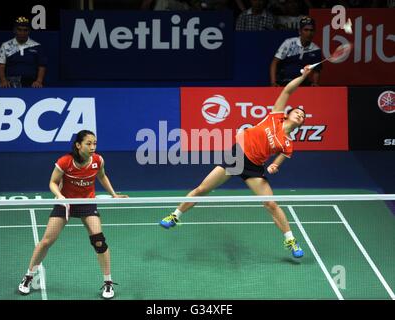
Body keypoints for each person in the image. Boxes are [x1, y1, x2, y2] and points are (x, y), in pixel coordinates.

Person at [160, 66, 314, 259]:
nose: (300, 115)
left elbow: (281, 158)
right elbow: (287, 91)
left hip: (254, 168)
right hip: (237, 156)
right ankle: (175, 216)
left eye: (303, 116)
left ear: (302, 123)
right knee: (202, 189)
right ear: (288, 113)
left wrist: (275, 165)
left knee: (271, 204)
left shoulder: (288, 143)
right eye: (297, 112)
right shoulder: (275, 116)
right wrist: (303, 76)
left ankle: (291, 240)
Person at [18, 130, 128, 299]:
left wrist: (114, 195)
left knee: (99, 241)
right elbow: (53, 182)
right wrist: (60, 196)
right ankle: (28, 276)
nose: (93, 147)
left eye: (95, 143)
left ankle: (108, 282)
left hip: (87, 203)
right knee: (47, 241)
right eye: (88, 143)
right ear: (78, 145)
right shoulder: (65, 161)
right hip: (65, 203)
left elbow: (102, 176)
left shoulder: (98, 160)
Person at [0, 16, 47, 88]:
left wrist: (38, 81)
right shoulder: (6, 45)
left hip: (31, 83)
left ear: (29, 31)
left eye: (25, 30)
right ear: (14, 30)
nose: (22, 33)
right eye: (19, 30)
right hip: (10, 83)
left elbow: (41, 66)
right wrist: (3, 80)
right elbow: (1, 66)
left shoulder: (37, 46)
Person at [270, 16, 321, 87]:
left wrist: (315, 83)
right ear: (300, 31)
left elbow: (316, 71)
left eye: (311, 30)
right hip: (285, 82)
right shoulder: (289, 43)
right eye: (306, 30)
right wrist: (273, 82)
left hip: (303, 84)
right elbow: (274, 62)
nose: (309, 33)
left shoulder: (316, 50)